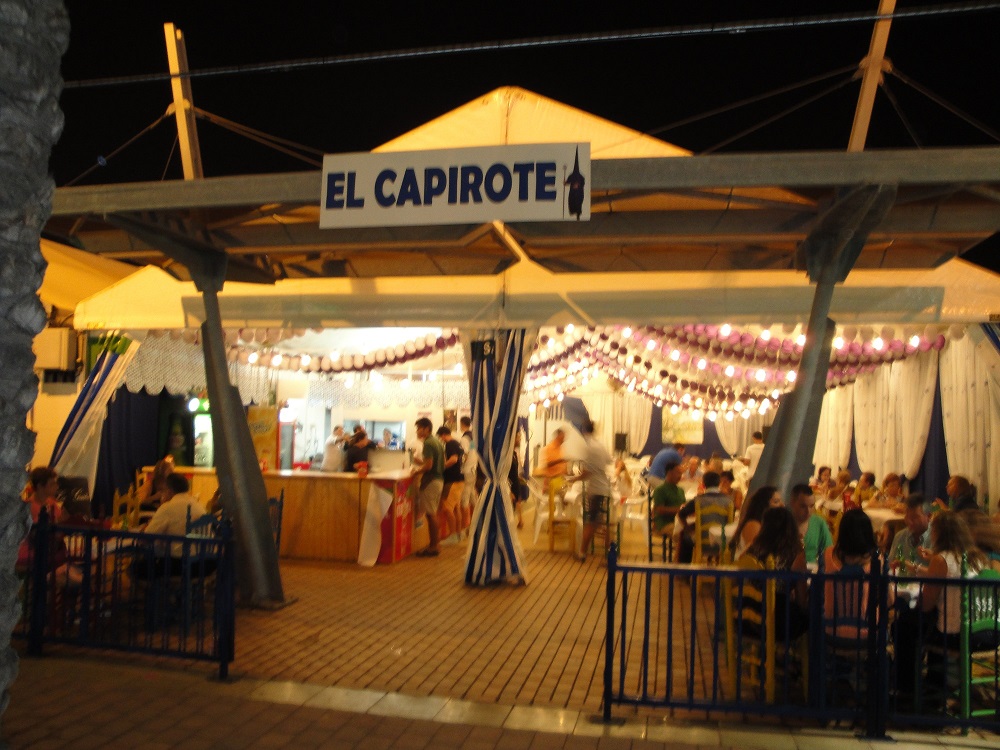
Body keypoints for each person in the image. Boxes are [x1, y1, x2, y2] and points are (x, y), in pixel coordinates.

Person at [916, 512, 998, 698]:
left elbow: (926, 604)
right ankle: (938, 681)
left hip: (959, 635)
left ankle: (915, 687)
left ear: (939, 534)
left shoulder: (942, 559)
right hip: (990, 634)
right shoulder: (979, 558)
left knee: (908, 624)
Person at [742, 506, 809, 640]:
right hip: (774, 624)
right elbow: (802, 600)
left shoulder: (752, 549)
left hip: (746, 619)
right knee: (811, 614)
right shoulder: (795, 555)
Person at [139, 473, 211, 577]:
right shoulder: (199, 506)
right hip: (203, 564)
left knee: (137, 567)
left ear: (169, 490)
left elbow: (146, 537)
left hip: (179, 565)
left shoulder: (168, 507)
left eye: (163, 491)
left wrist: (146, 526)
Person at [822, 509, 878, 640]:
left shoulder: (828, 555)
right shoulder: (876, 561)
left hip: (831, 631)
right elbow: (889, 599)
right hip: (866, 633)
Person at [569, 419, 612, 562]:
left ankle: (583, 553)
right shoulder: (600, 445)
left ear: (583, 431)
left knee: (592, 522)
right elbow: (608, 461)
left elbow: (587, 473)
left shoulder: (589, 447)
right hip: (603, 488)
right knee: (598, 523)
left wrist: (574, 479)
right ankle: (609, 553)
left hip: (596, 490)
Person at [675, 471, 732, 564]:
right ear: (719, 483)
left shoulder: (698, 500)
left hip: (702, 541)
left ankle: (684, 570)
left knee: (685, 538)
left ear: (703, 484)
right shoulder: (728, 501)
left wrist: (687, 528)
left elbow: (681, 514)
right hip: (722, 543)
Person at [411, 418, 445, 557]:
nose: (417, 431)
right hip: (439, 480)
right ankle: (435, 544)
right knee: (433, 513)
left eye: (419, 428)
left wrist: (416, 471)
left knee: (431, 515)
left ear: (426, 429)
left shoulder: (428, 443)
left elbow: (429, 465)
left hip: (431, 481)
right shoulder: (437, 441)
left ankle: (433, 546)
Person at [728, 485, 781, 560]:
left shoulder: (767, 525)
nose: (782, 505)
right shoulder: (753, 524)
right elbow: (754, 555)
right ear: (763, 505)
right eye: (776, 502)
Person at [789, 483, 832, 565]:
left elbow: (829, 553)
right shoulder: (783, 523)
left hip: (814, 568)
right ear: (792, 503)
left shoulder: (819, 523)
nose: (808, 511)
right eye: (803, 506)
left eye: (811, 506)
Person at [888, 494, 931, 570]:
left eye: (915, 517)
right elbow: (890, 566)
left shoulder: (938, 539)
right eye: (907, 516)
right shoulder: (900, 536)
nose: (909, 521)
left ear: (928, 516)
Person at [436, 425, 465, 539]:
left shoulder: (450, 444)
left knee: (447, 508)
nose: (440, 440)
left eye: (440, 437)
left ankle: (452, 535)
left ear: (443, 435)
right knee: (456, 507)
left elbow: (453, 459)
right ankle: (458, 533)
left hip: (452, 480)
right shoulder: (457, 443)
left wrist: (441, 467)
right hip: (460, 479)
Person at [650, 458, 685, 547]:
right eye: (678, 473)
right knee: (683, 535)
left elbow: (684, 506)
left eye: (681, 473)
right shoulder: (660, 490)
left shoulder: (680, 490)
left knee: (695, 532)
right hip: (664, 524)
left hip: (679, 522)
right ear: (669, 473)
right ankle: (680, 554)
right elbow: (660, 510)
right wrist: (679, 510)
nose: (680, 476)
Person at [459, 416, 478, 537]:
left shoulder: (464, 438)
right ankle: (477, 523)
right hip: (474, 469)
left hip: (467, 470)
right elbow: (473, 453)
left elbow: (465, 455)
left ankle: (467, 527)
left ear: (462, 424)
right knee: (472, 496)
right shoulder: (473, 437)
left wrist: (461, 466)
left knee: (465, 499)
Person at [541, 428, 568, 510]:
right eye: (562, 437)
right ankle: (557, 512)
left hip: (559, 479)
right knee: (566, 497)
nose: (564, 439)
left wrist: (566, 472)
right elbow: (547, 464)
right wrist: (560, 460)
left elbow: (562, 464)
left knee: (568, 494)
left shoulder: (560, 448)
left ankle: (560, 512)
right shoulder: (549, 448)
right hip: (551, 481)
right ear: (557, 437)